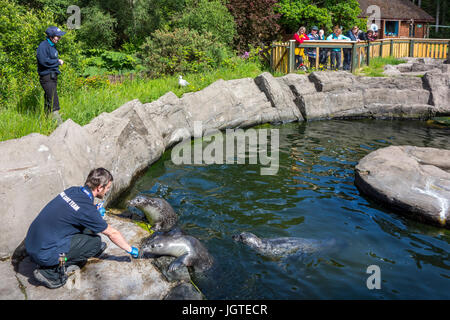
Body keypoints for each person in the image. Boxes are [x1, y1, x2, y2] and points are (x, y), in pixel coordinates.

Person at [25, 168, 140, 289]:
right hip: (44, 254)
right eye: (107, 188)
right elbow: (112, 233)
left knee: (86, 229)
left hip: (32, 243)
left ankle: (53, 262)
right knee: (95, 244)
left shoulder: (73, 190)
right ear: (100, 187)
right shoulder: (86, 210)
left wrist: (94, 209)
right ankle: (51, 271)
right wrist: (130, 249)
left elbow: (75, 210)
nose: (107, 192)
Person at [36, 26, 66, 125]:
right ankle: (61, 127)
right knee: (54, 102)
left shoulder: (52, 46)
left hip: (53, 76)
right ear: (51, 36)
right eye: (58, 36)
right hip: (46, 77)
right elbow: (43, 61)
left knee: (49, 101)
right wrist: (57, 62)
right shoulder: (43, 46)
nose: (59, 38)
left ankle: (46, 123)